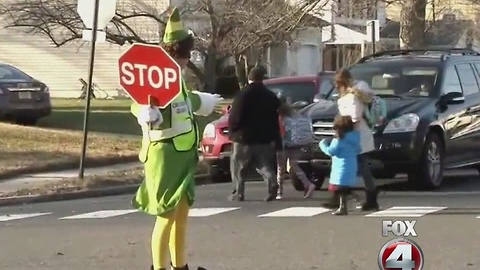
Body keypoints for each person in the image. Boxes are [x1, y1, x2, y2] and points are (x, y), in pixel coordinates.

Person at [130, 7, 223, 270]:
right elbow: (137, 102)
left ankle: (180, 266)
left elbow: (185, 100)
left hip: (183, 154)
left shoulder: (176, 77)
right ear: (174, 53)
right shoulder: (155, 75)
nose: (186, 60)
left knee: (181, 214)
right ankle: (159, 267)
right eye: (183, 54)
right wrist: (143, 112)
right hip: (165, 155)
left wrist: (204, 102)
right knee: (166, 215)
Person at [322, 69, 380, 211]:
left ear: (342, 83)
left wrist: (344, 133)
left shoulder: (352, 96)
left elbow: (355, 116)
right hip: (354, 136)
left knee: (354, 168)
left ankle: (368, 198)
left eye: (337, 84)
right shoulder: (349, 95)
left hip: (355, 136)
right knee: (346, 167)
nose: (336, 87)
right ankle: (341, 197)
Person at [228, 66, 281, 202]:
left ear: (249, 78)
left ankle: (238, 193)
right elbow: (275, 118)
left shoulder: (242, 95)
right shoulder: (270, 96)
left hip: (243, 138)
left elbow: (235, 117)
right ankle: (272, 181)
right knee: (264, 165)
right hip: (264, 138)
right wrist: (276, 137)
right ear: (262, 78)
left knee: (239, 166)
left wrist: (232, 131)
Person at [319, 115, 361, 215]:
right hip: (351, 164)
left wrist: (323, 145)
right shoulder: (355, 138)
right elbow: (359, 149)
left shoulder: (338, 140)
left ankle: (343, 207)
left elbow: (331, 152)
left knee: (340, 188)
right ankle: (345, 203)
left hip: (340, 166)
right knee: (344, 187)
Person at [277, 97, 316, 199]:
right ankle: (308, 184)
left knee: (281, 168)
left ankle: (279, 191)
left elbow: (281, 133)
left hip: (285, 144)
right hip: (297, 143)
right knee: (295, 166)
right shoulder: (294, 113)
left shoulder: (280, 117)